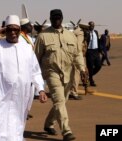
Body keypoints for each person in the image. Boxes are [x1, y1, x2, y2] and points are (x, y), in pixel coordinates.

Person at [0, 15, 47, 141]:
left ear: (20, 31)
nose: (13, 33)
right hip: (2, 94)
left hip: (22, 94)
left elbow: (35, 71)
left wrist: (40, 89)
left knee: (19, 122)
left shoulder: (26, 48)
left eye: (16, 29)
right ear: (4, 30)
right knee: (1, 122)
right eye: (9, 30)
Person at [35, 9, 87, 141]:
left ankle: (48, 124)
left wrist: (82, 69)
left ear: (62, 18)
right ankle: (66, 131)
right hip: (51, 72)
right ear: (50, 19)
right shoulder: (43, 36)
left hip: (68, 73)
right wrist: (35, 77)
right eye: (54, 17)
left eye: (59, 17)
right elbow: (35, 57)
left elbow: (77, 54)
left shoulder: (71, 36)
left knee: (62, 102)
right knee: (59, 100)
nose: (56, 19)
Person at [68, 25, 86, 100]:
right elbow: (78, 48)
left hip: (72, 55)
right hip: (76, 56)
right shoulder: (80, 33)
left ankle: (70, 91)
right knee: (76, 75)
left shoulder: (75, 32)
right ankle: (73, 92)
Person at [85, 21, 102, 86]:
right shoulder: (86, 32)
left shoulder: (96, 32)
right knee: (90, 67)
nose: (92, 27)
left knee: (98, 66)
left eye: (93, 25)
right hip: (89, 52)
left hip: (96, 51)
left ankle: (89, 75)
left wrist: (100, 50)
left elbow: (98, 41)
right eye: (91, 25)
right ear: (88, 26)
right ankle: (91, 81)